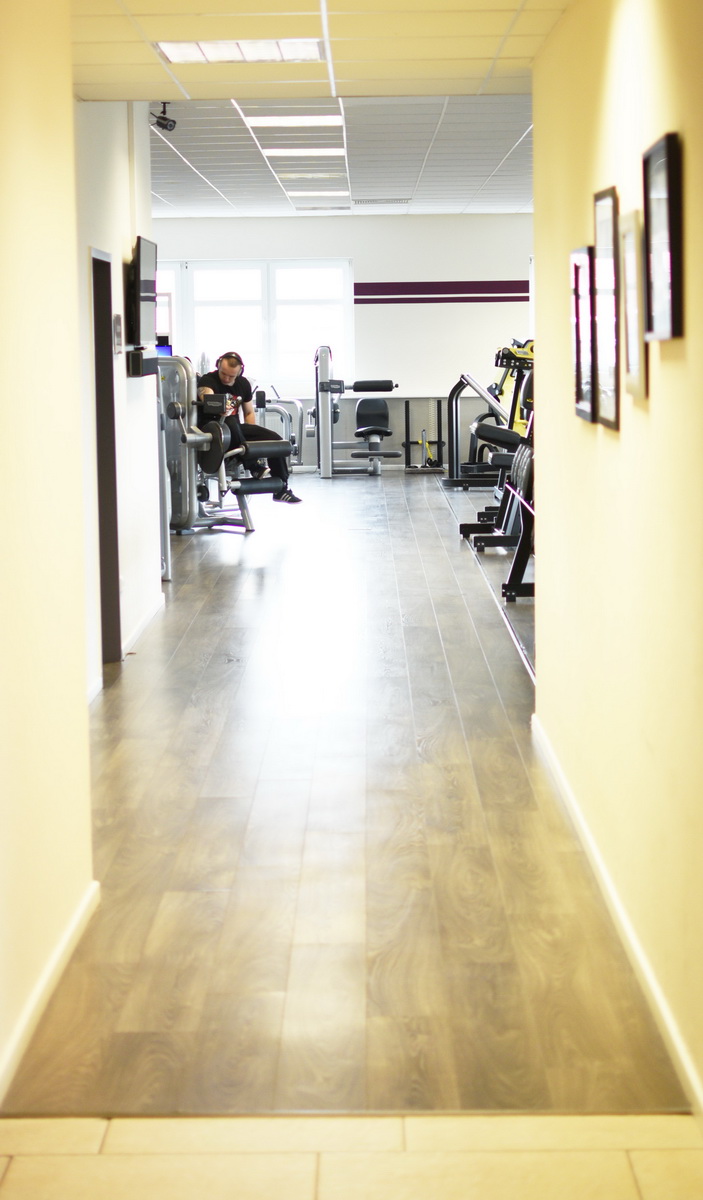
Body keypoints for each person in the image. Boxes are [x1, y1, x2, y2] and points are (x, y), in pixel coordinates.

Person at [197, 351, 301, 503]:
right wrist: (218, 406)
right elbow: (207, 396)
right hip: (213, 430)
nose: (226, 378)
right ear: (218, 366)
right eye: (223, 373)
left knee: (275, 439)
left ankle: (281, 488)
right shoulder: (208, 380)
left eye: (231, 376)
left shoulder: (243, 384)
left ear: (240, 372)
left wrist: (252, 442)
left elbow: (249, 412)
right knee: (230, 421)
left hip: (234, 429)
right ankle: (253, 466)